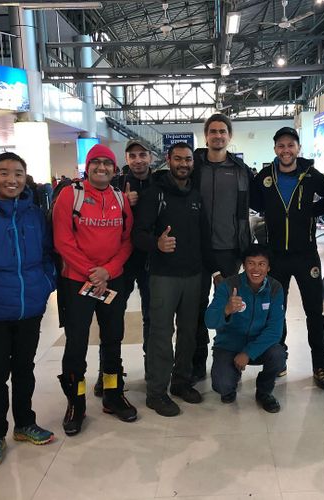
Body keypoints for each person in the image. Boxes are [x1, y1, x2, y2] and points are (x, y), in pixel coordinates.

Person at [0, 152, 55, 466]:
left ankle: (24, 423)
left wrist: (47, 281)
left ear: (25, 177)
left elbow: (48, 253)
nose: (11, 180)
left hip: (29, 305)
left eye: (18, 173)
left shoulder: (35, 214)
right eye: (4, 173)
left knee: (24, 368)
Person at [53, 143, 137, 435]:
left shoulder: (119, 198)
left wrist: (108, 272)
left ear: (115, 169)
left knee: (113, 340)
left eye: (107, 164)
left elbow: (127, 241)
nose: (102, 167)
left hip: (112, 280)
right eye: (96, 163)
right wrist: (92, 273)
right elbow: (62, 241)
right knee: (76, 344)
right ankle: (76, 402)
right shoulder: (70, 195)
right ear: (87, 167)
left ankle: (113, 394)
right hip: (77, 281)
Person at [251, 127, 324, 389]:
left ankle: (320, 365)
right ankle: (279, 360)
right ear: (275, 149)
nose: (286, 150)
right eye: (281, 146)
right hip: (276, 255)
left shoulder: (310, 175)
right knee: (277, 311)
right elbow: (255, 203)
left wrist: (312, 210)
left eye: (291, 145)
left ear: (298, 148)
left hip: (306, 254)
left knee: (314, 311)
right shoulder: (266, 176)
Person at [133, 142, 204, 417]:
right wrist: (157, 244)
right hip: (163, 276)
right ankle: (156, 392)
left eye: (188, 159)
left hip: (193, 275)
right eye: (178, 159)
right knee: (161, 334)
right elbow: (138, 235)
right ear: (168, 160)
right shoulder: (155, 194)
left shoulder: (196, 195)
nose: (183, 164)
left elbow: (203, 235)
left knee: (189, 332)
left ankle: (181, 382)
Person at [191, 113, 253, 382]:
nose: (218, 135)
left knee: (230, 307)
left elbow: (249, 209)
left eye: (222, 131)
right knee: (195, 310)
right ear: (206, 136)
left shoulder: (240, 170)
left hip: (229, 250)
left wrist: (246, 250)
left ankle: (227, 364)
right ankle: (196, 364)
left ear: (229, 136)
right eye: (213, 131)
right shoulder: (193, 166)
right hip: (196, 249)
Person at [93, 138, 153, 396]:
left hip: (151, 260)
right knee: (111, 318)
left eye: (142, 155)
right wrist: (124, 203)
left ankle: (154, 370)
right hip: (120, 263)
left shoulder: (160, 183)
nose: (138, 160)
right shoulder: (114, 186)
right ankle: (106, 372)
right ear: (126, 160)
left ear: (150, 157)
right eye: (132, 156)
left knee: (153, 317)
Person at [205, 244, 285, 413]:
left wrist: (248, 353)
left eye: (261, 264)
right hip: (229, 346)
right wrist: (226, 309)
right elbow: (209, 321)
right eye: (251, 263)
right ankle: (231, 378)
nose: (256, 269)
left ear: (268, 267)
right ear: (243, 265)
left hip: (258, 346)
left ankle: (264, 392)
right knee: (222, 386)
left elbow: (275, 331)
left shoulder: (275, 288)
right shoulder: (228, 285)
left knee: (279, 355)